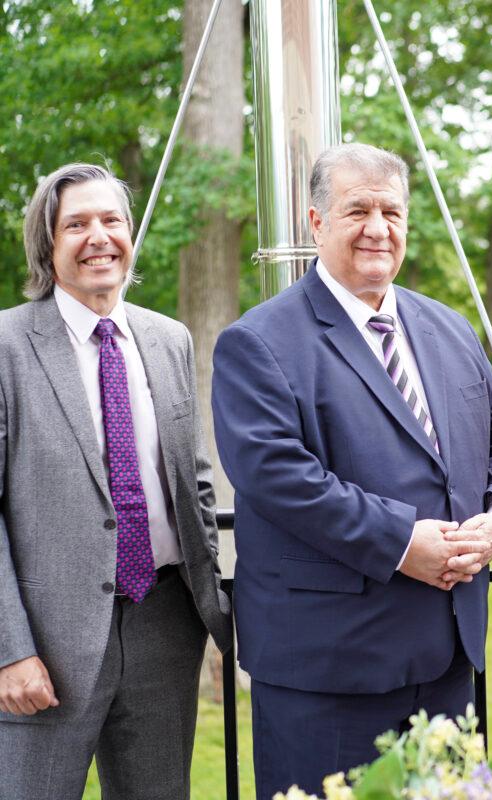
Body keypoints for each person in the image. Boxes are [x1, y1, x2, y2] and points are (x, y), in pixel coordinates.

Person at [211, 143, 492, 799]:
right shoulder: (259, 341)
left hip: (445, 656)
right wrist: (402, 542)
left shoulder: (450, 329)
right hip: (327, 669)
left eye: (392, 211)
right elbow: (277, 475)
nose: (378, 228)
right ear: (315, 221)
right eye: (358, 210)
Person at [0, 163, 233, 799]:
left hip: (165, 622)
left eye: (112, 221)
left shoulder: (169, 340)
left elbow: (194, 481)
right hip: (46, 640)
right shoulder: (7, 346)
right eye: (76, 224)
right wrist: (9, 649)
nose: (98, 236)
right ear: (47, 245)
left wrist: (211, 601)